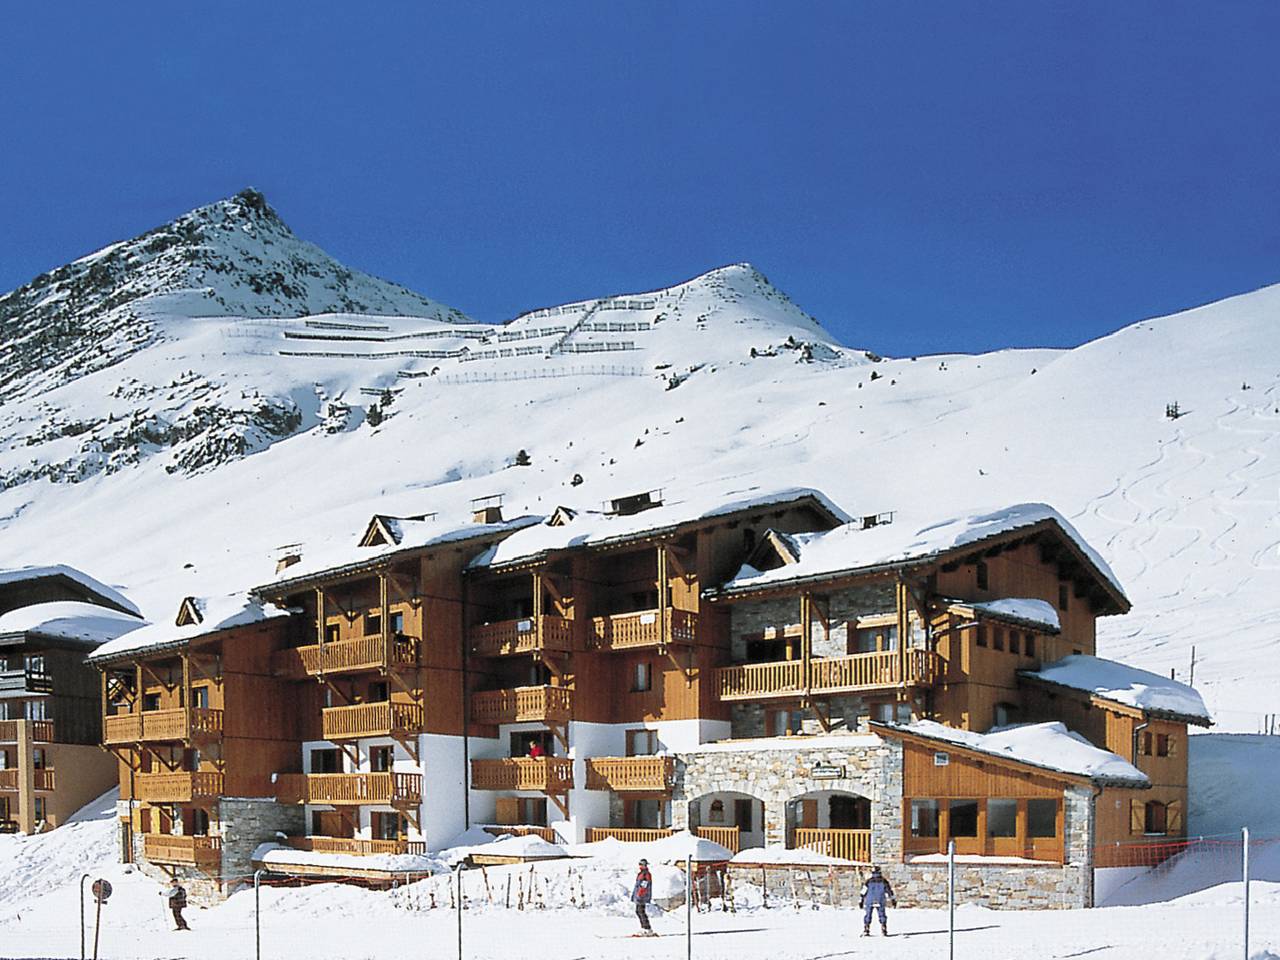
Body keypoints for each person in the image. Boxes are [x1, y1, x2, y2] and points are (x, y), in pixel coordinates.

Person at [859, 865, 895, 937]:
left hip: (870, 900)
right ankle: (883, 928)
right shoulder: (884, 881)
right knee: (882, 914)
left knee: (868, 915)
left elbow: (863, 891)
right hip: (880, 899)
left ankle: (866, 929)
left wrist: (861, 900)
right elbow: (889, 891)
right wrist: (893, 899)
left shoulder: (868, 881)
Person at [632, 858, 655, 936]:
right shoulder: (641, 873)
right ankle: (644, 927)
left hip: (642, 896)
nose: (641, 866)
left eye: (642, 864)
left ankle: (647, 928)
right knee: (639, 911)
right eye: (640, 864)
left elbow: (644, 885)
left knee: (640, 911)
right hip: (639, 895)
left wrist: (640, 894)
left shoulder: (646, 874)